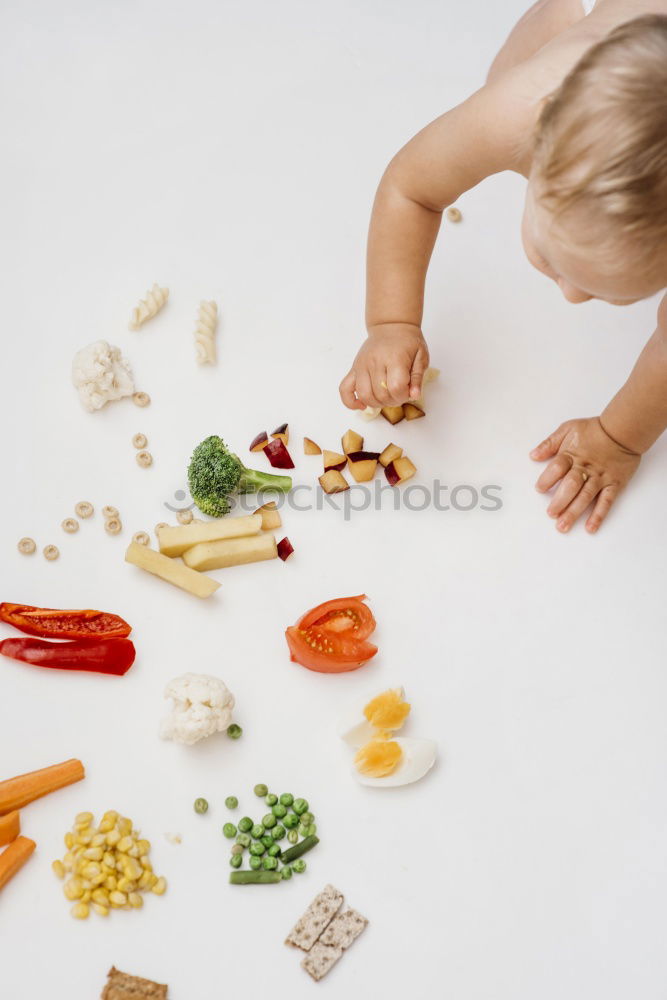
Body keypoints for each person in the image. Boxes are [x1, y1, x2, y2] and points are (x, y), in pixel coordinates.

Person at [339, 2, 667, 534]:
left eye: (611, 293)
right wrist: (391, 323)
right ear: (535, 152)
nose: (570, 297)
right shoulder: (520, 107)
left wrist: (618, 438)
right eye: (553, 260)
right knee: (523, 53)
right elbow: (410, 187)